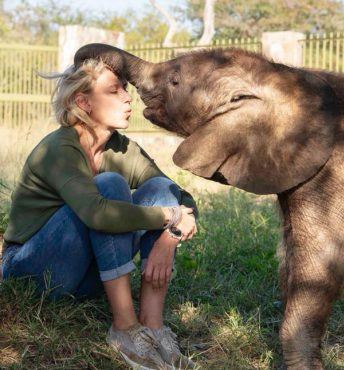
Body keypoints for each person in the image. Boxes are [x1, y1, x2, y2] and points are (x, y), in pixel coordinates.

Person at [0, 58, 197, 370]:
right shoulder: (59, 148)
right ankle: (124, 328)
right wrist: (167, 217)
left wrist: (169, 237)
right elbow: (98, 214)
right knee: (109, 186)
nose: (127, 97)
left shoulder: (121, 149)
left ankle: (153, 328)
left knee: (159, 187)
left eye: (125, 90)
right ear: (84, 102)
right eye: (114, 91)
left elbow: (178, 196)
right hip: (34, 270)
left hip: (87, 276)